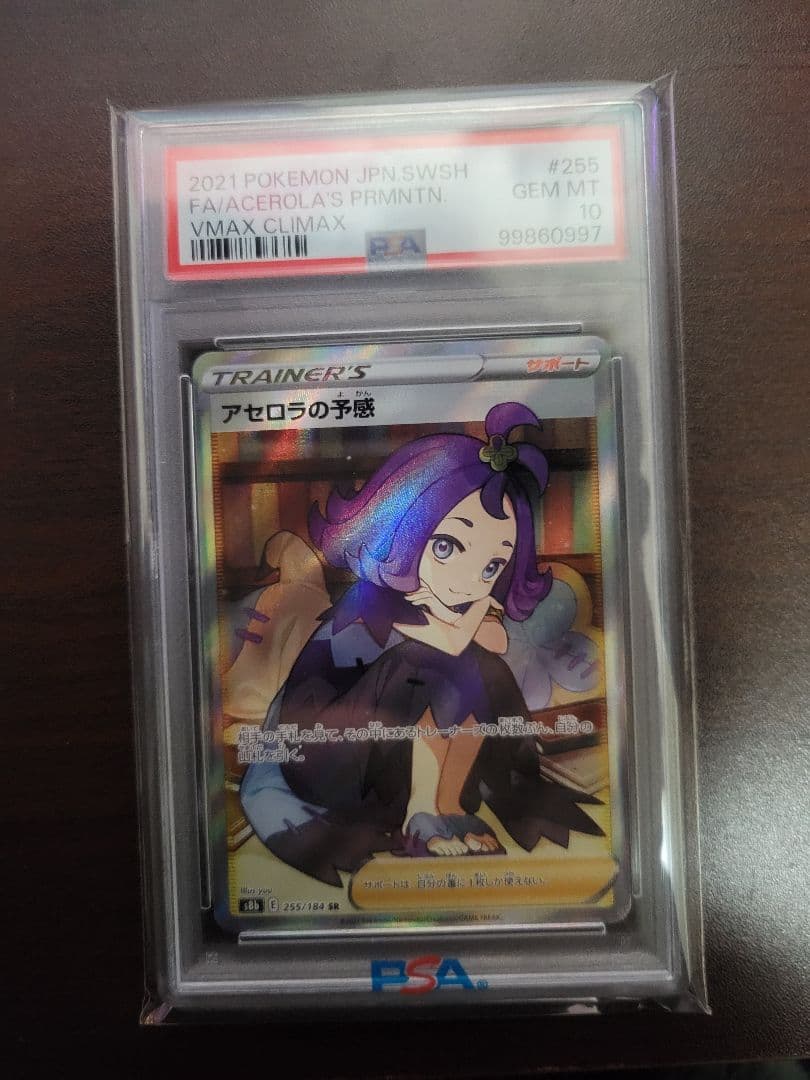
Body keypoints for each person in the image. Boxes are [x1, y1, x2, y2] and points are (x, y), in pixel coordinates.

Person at [240, 402, 603, 886]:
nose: (468, 581)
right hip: (324, 760)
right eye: (448, 546)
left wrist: (476, 610)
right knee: (427, 663)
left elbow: (492, 642)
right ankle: (421, 813)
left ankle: (448, 806)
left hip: (385, 760)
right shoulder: (371, 600)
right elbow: (445, 646)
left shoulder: (453, 605)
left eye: (492, 566)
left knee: (481, 668)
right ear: (405, 528)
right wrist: (478, 608)